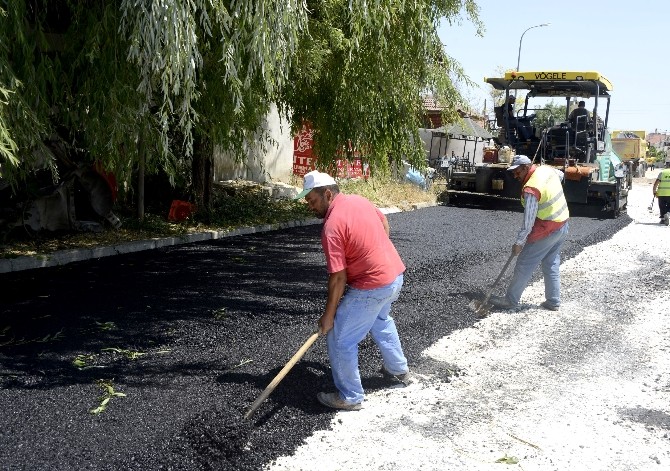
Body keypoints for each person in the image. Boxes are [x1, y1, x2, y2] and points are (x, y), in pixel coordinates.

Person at [296, 170, 411, 411]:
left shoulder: (331, 227)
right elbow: (384, 222)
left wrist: (329, 316)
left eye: (312, 200)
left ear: (328, 194)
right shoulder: (359, 200)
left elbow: (338, 277)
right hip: (394, 276)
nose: (310, 206)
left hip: (372, 287)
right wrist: (377, 254)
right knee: (380, 320)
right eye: (307, 201)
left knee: (340, 338)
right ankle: (398, 369)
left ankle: (350, 396)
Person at [489, 155, 570, 311]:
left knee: (524, 264)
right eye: (513, 172)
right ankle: (553, 301)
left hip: (547, 229)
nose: (515, 175)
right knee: (551, 262)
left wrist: (519, 242)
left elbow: (528, 222)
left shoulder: (531, 189)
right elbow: (560, 176)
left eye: (517, 171)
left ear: (526, 167)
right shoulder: (546, 169)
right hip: (563, 223)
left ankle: (511, 300)